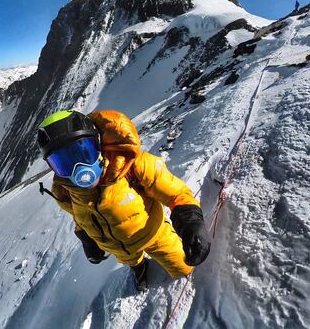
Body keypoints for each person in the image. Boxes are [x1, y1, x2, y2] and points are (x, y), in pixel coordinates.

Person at [37, 109, 211, 291]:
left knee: (184, 268)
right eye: (63, 163)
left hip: (153, 235)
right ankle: (139, 266)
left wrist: (192, 223)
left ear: (98, 145)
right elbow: (80, 216)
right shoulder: (66, 193)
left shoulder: (131, 167)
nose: (79, 169)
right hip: (120, 249)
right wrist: (87, 240)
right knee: (132, 260)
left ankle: (144, 265)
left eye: (84, 153)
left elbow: (175, 193)